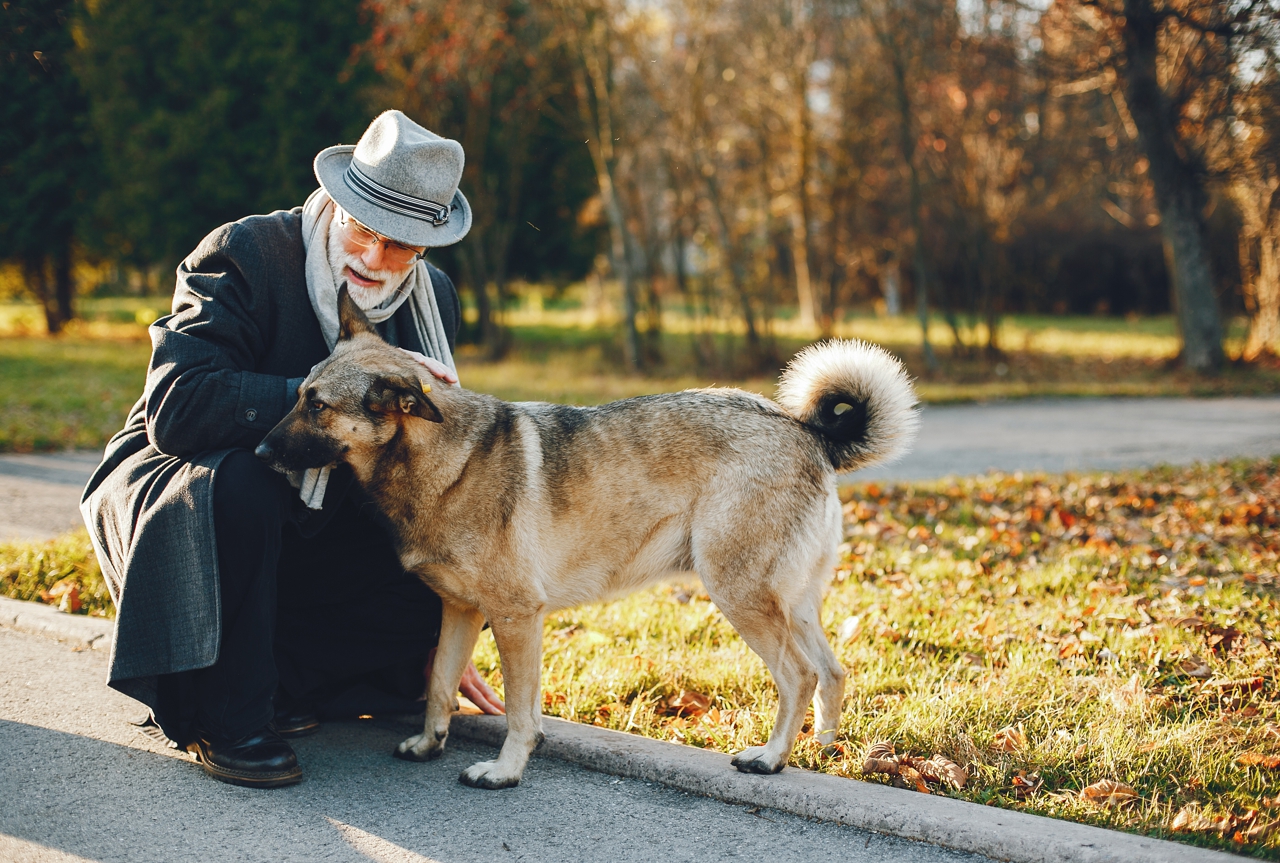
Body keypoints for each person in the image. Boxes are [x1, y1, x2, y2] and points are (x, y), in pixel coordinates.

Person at [80, 111, 503, 789]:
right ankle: (227, 712)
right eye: (363, 228)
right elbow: (178, 407)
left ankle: (286, 680)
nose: (372, 258)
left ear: (425, 248)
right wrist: (331, 399)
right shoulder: (243, 252)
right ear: (337, 202)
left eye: (399, 248)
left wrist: (443, 630)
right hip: (194, 476)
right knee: (248, 479)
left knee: (443, 522)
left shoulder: (434, 303)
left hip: (325, 499)